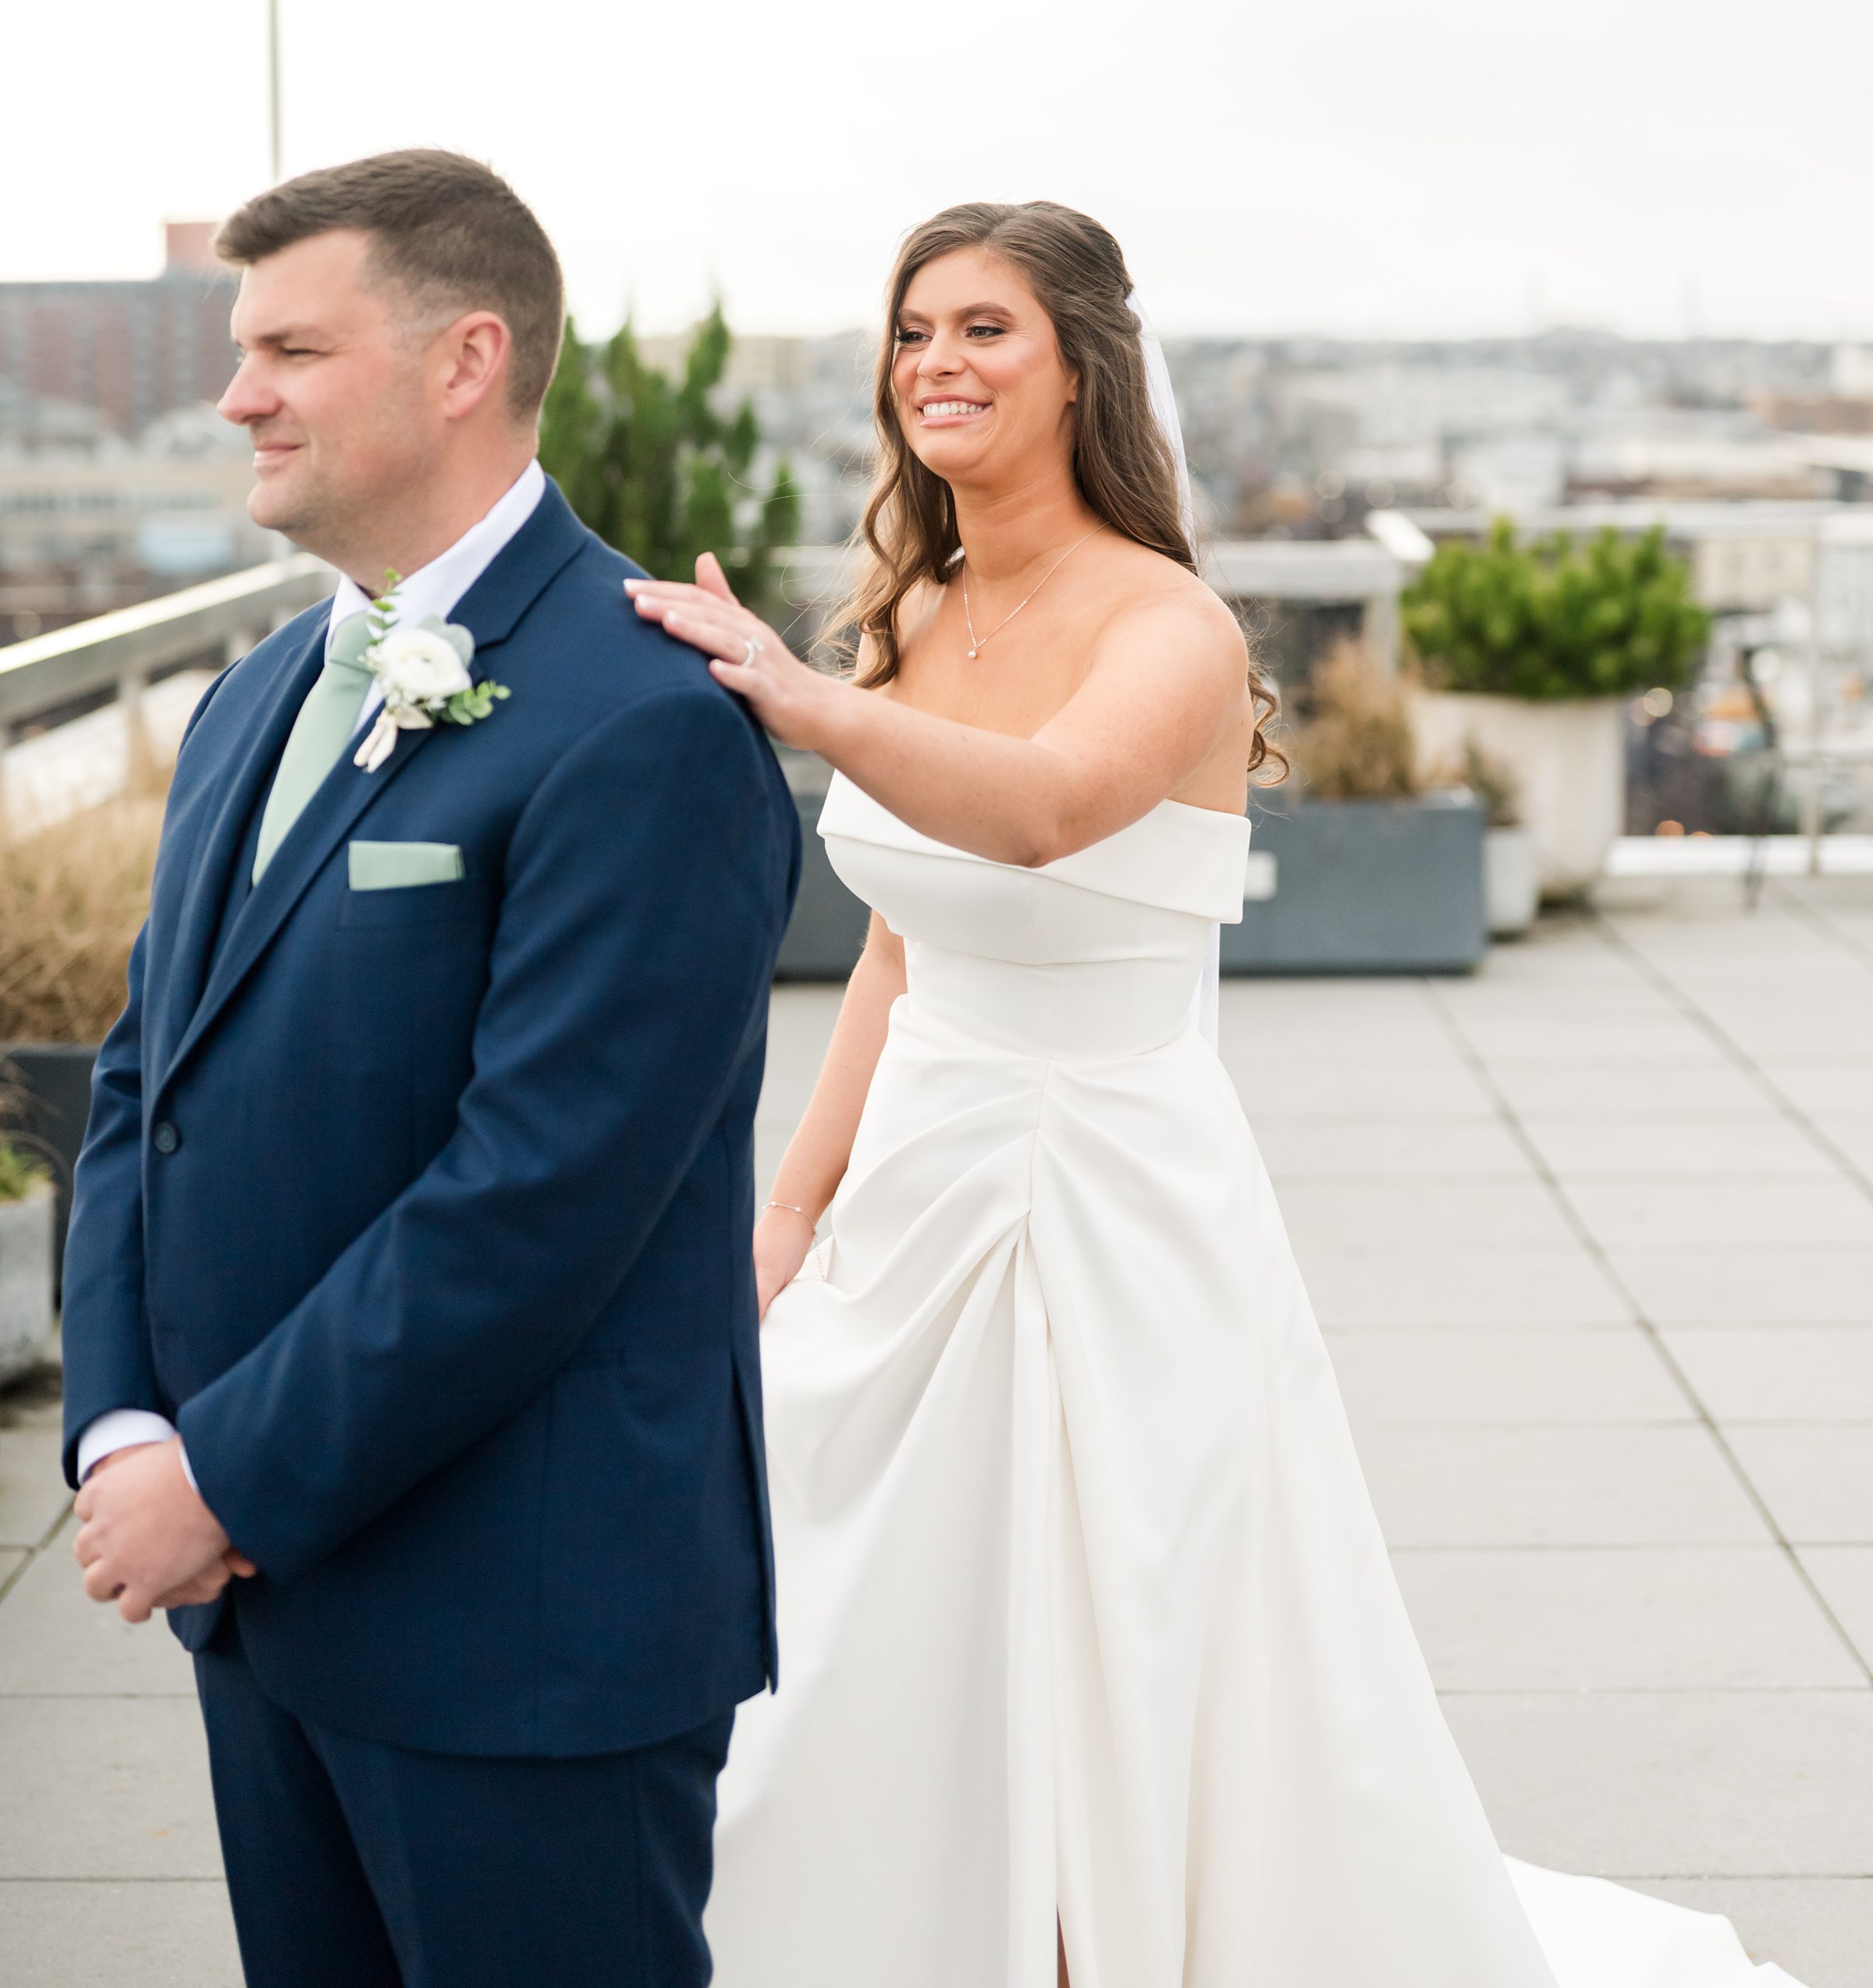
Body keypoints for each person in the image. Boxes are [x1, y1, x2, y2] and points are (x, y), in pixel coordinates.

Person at [628, 197, 1804, 1988]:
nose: (935, 363)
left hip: (1107, 1198)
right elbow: (896, 946)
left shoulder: (1168, 623)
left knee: (1123, 1617)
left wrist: (803, 701)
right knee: (878, 1605)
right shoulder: (915, 606)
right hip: (917, 1195)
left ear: (1081, 363)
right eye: (915, 329)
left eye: (985, 330)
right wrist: (787, 1215)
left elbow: (1033, 812)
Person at [63, 150, 798, 1988]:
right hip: (271, 1614)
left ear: (466, 361)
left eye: (291, 348)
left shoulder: (647, 726)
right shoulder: (252, 699)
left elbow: (536, 1200)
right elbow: (145, 1083)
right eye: (244, 349)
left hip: (523, 1639)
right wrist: (124, 1423)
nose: (236, 394)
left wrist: (218, 1476)